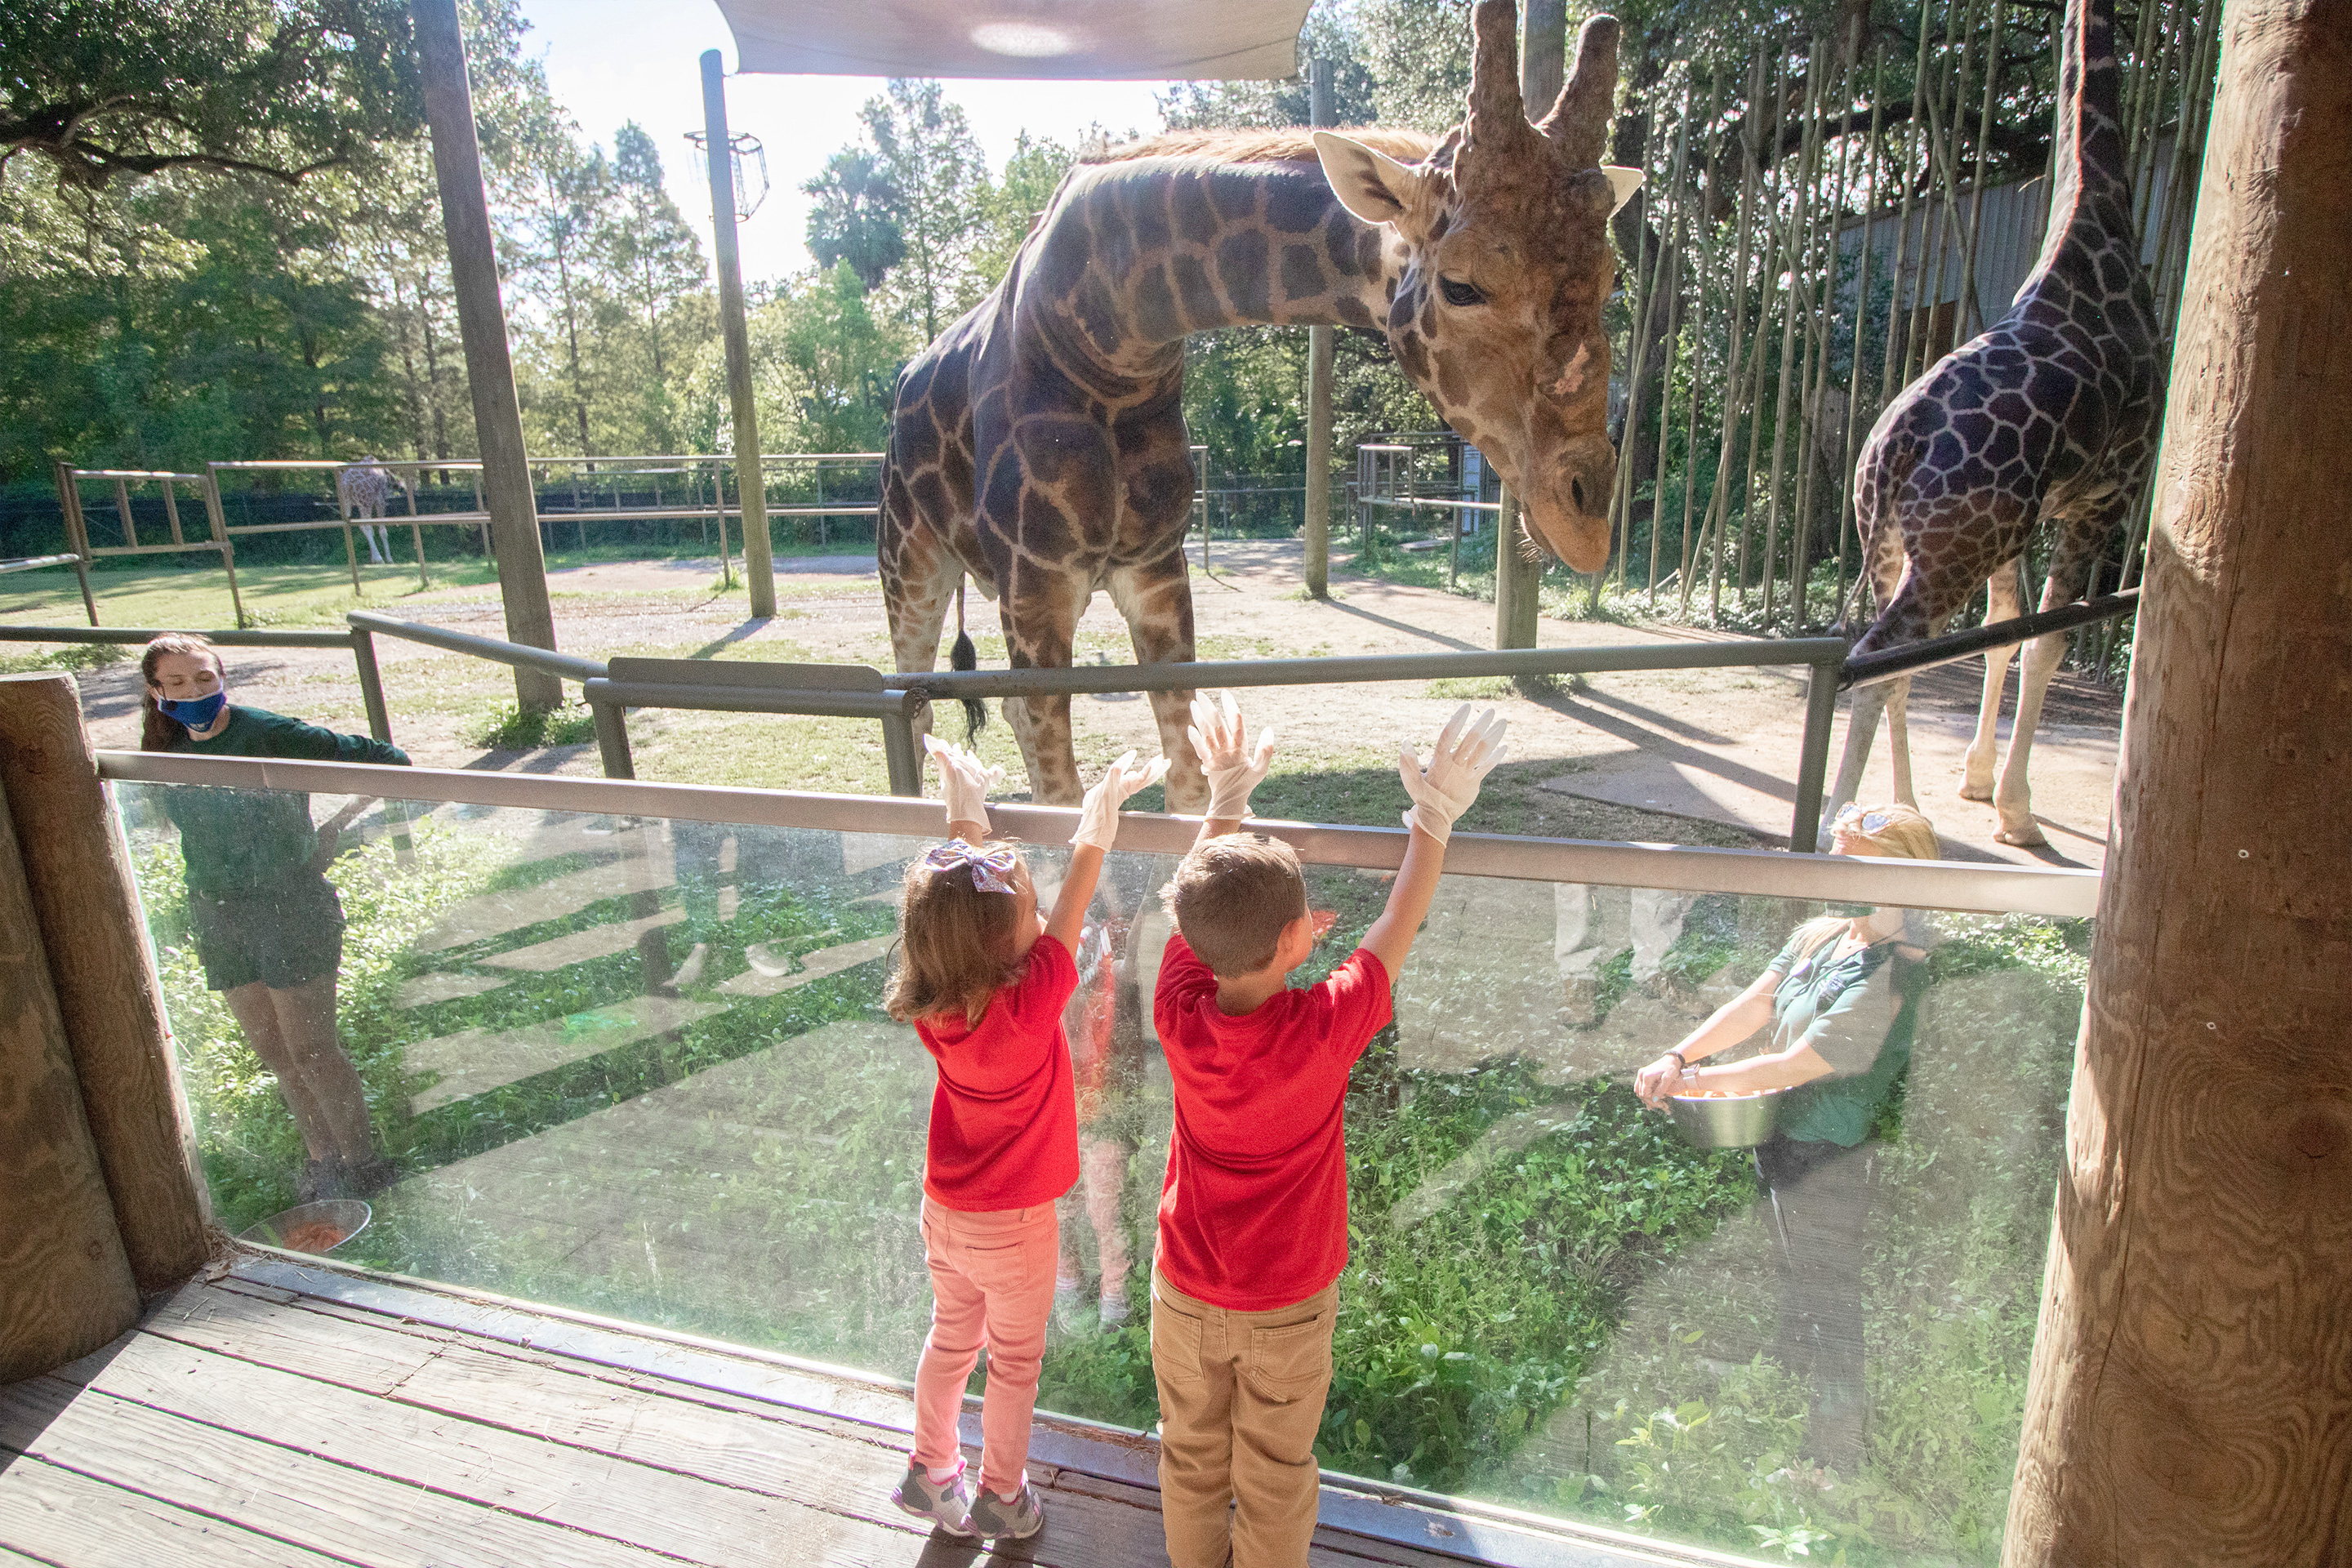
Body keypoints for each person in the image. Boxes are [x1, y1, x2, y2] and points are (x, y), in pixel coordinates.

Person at [1151, 696, 1506, 1568]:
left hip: (1185, 1294)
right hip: (1288, 1305)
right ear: (1297, 942)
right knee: (1276, 1472)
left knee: (1190, 1458)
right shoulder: (1325, 1028)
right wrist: (1435, 816)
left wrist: (1226, 800)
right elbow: (1397, 924)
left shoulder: (1177, 1010)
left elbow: (1199, 911)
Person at [884, 734, 1166, 1544]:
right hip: (1015, 1228)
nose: (1042, 914)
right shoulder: (1037, 996)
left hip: (945, 1216)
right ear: (1015, 942)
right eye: (1028, 910)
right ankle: (1002, 1495)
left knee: (949, 1343)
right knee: (1013, 1364)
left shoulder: (935, 1001)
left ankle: (932, 1472)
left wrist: (964, 813)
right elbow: (1075, 902)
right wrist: (1099, 818)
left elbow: (950, 912)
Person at [1633, 800, 1940, 1473]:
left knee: (1830, 1293)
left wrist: (1696, 1085)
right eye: (1834, 854)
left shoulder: (1896, 971)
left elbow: (1794, 1063)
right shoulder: (1823, 935)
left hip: (1829, 1151)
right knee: (1794, 1269)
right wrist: (1679, 1056)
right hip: (1780, 1134)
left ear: (1907, 878)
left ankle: (1833, 1458)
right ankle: (1781, 1385)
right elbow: (1755, 1005)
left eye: (1853, 860)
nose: (1831, 869)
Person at [140, 633, 410, 1201]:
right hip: (216, 913)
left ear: (222, 679)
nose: (195, 692)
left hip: (289, 907)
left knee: (313, 1049)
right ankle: (323, 1162)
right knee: (275, 1053)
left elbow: (391, 761)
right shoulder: (163, 746)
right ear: (156, 691)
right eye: (179, 683)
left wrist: (334, 828)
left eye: (205, 678)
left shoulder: (266, 732)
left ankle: (365, 1165)